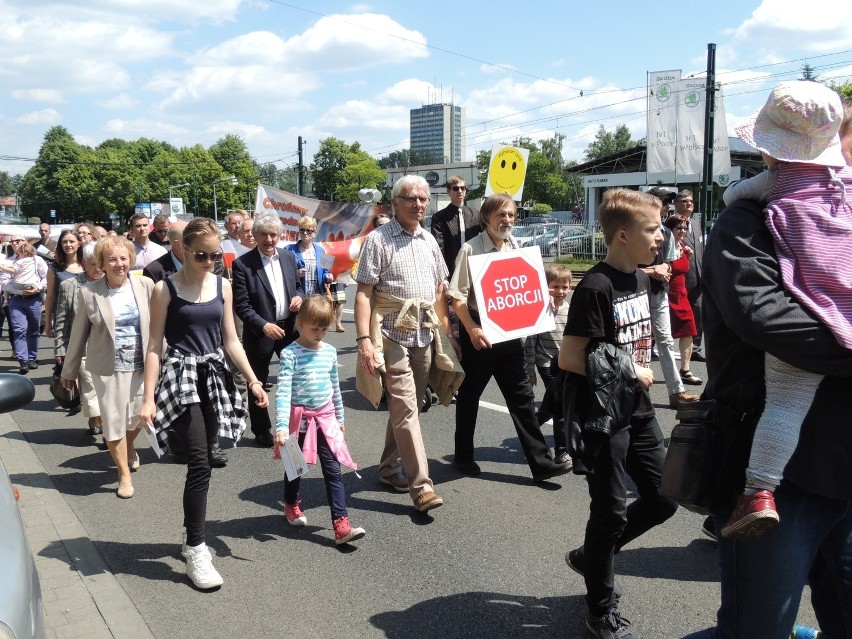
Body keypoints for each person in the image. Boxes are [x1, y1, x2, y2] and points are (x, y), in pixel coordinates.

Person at [681, 94, 852, 639]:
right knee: (756, 630)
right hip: (783, 485)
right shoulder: (744, 222)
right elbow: (764, 318)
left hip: (844, 465)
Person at [714, 81, 851, 541]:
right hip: (848, 302)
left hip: (811, 303)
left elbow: (734, 197)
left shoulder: (773, 184)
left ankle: (758, 491)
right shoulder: (845, 187)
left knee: (786, 403)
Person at [558, 189, 678, 639]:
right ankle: (599, 608)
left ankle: (593, 557)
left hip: (640, 411)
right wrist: (632, 369)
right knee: (608, 512)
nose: (661, 235)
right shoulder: (595, 286)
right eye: (652, 228)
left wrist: (635, 374)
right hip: (603, 416)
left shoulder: (643, 279)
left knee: (664, 499)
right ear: (623, 235)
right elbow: (570, 358)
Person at [140, 217, 267, 590]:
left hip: (215, 376)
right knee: (198, 459)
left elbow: (231, 340)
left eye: (217, 255)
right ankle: (196, 547)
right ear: (182, 250)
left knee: (207, 458)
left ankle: (189, 534)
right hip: (180, 379)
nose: (210, 261)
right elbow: (153, 347)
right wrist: (148, 398)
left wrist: (254, 380)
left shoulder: (223, 287)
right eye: (202, 255)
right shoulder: (165, 290)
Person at [448, 193, 571, 481]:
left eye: (511, 215)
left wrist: (544, 301)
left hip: (511, 334)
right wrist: (471, 329)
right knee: (469, 396)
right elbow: (457, 296)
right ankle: (463, 456)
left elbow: (525, 286)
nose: (507, 220)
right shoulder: (471, 249)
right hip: (480, 333)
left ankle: (542, 465)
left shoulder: (515, 245)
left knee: (522, 399)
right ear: (486, 218)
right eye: (501, 215)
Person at [354, 175, 452, 513]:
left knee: (411, 406)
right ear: (395, 203)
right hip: (391, 333)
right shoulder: (378, 240)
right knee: (407, 405)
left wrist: (447, 331)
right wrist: (365, 340)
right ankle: (421, 487)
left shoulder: (428, 240)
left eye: (423, 199)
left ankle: (386, 468)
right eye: (411, 198)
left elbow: (440, 290)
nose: (418, 204)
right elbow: (364, 293)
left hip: (424, 333)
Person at [61, 236, 154, 499]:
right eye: (112, 259)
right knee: (113, 421)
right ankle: (123, 474)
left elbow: (158, 326)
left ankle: (129, 445)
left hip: (141, 364)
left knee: (140, 416)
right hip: (107, 368)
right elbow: (78, 334)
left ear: (130, 260)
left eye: (123, 258)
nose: (119, 263)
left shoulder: (145, 285)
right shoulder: (90, 292)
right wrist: (69, 372)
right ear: (101, 263)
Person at [274, 295, 365, 545]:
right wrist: (281, 426)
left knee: (333, 470)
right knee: (295, 468)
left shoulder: (330, 352)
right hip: (299, 420)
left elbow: (334, 386)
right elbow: (283, 392)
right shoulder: (290, 354)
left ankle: (341, 523)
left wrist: (340, 417)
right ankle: (291, 503)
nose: (320, 334)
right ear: (300, 323)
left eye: (324, 329)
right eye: (315, 328)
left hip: (325, 420)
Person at [232, 213, 304, 447]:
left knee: (297, 378)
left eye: (273, 234)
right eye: (263, 234)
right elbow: (241, 305)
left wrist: (299, 298)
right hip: (260, 333)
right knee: (258, 381)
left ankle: (299, 423)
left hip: (289, 330)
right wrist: (263, 325)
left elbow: (300, 287)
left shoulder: (288, 257)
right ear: (254, 236)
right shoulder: (242, 264)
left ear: (280, 235)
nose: (269, 239)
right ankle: (261, 429)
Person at [642, 188, 698, 408]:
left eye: (667, 202)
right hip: (636, 294)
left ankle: (676, 392)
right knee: (639, 344)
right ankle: (634, 390)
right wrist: (652, 270)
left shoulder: (665, 233)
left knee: (665, 341)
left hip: (658, 294)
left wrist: (663, 267)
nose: (666, 206)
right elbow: (623, 266)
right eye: (663, 201)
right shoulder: (638, 229)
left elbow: (669, 261)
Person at [524, 263, 572, 465]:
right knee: (561, 407)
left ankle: (531, 425)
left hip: (567, 364)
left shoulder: (571, 310)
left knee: (554, 406)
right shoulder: (541, 311)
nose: (560, 291)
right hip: (546, 365)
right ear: (545, 286)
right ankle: (562, 451)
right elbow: (530, 342)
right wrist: (530, 370)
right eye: (554, 286)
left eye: (564, 287)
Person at [54, 243, 104, 437]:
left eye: (100, 263)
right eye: (93, 264)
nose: (98, 268)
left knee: (106, 391)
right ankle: (106, 427)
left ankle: (97, 419)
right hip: (82, 349)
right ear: (83, 264)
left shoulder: (111, 284)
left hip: (108, 348)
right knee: (92, 389)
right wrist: (60, 349)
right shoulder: (70, 286)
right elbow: (61, 321)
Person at [662, 214, 702, 386]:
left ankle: (685, 370)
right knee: (657, 336)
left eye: (685, 228)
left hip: (682, 296)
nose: (683, 231)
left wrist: (689, 257)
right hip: (667, 296)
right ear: (670, 229)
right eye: (679, 228)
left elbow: (683, 270)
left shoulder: (684, 246)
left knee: (689, 331)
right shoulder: (664, 247)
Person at [0, 237, 48, 374]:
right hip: (16, 300)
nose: (16, 243)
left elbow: (45, 278)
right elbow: (4, 282)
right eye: (13, 241)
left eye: (18, 240)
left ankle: (32, 357)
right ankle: (23, 360)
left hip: (33, 299)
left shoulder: (36, 260)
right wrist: (18, 290)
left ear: (25, 242)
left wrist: (37, 288)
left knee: (34, 329)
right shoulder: (8, 262)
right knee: (19, 329)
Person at [674, 190, 705, 361]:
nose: (689, 204)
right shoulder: (671, 224)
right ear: (677, 204)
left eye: (691, 201)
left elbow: (700, 250)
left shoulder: (696, 224)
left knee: (698, 314)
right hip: (680, 278)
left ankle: (696, 349)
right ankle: (656, 345)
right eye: (685, 201)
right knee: (674, 315)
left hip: (698, 278)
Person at [430, 175, 481, 276]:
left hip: (474, 267)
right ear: (448, 191)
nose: (460, 191)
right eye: (455, 188)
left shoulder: (475, 213)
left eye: (463, 188)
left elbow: (487, 232)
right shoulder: (439, 217)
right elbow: (439, 249)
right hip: (452, 269)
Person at [44, 229, 84, 340]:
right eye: (64, 242)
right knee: (64, 355)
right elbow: (50, 297)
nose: (68, 245)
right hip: (63, 318)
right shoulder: (54, 268)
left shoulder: (88, 266)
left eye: (71, 241)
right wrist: (47, 321)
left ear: (79, 243)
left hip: (85, 317)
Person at [286, 216, 332, 299]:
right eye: (302, 230)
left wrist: (328, 276)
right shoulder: (289, 249)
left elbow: (325, 271)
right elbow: (284, 273)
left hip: (317, 295)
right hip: (298, 295)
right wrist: (296, 274)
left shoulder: (321, 250)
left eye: (308, 230)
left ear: (314, 233)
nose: (305, 233)